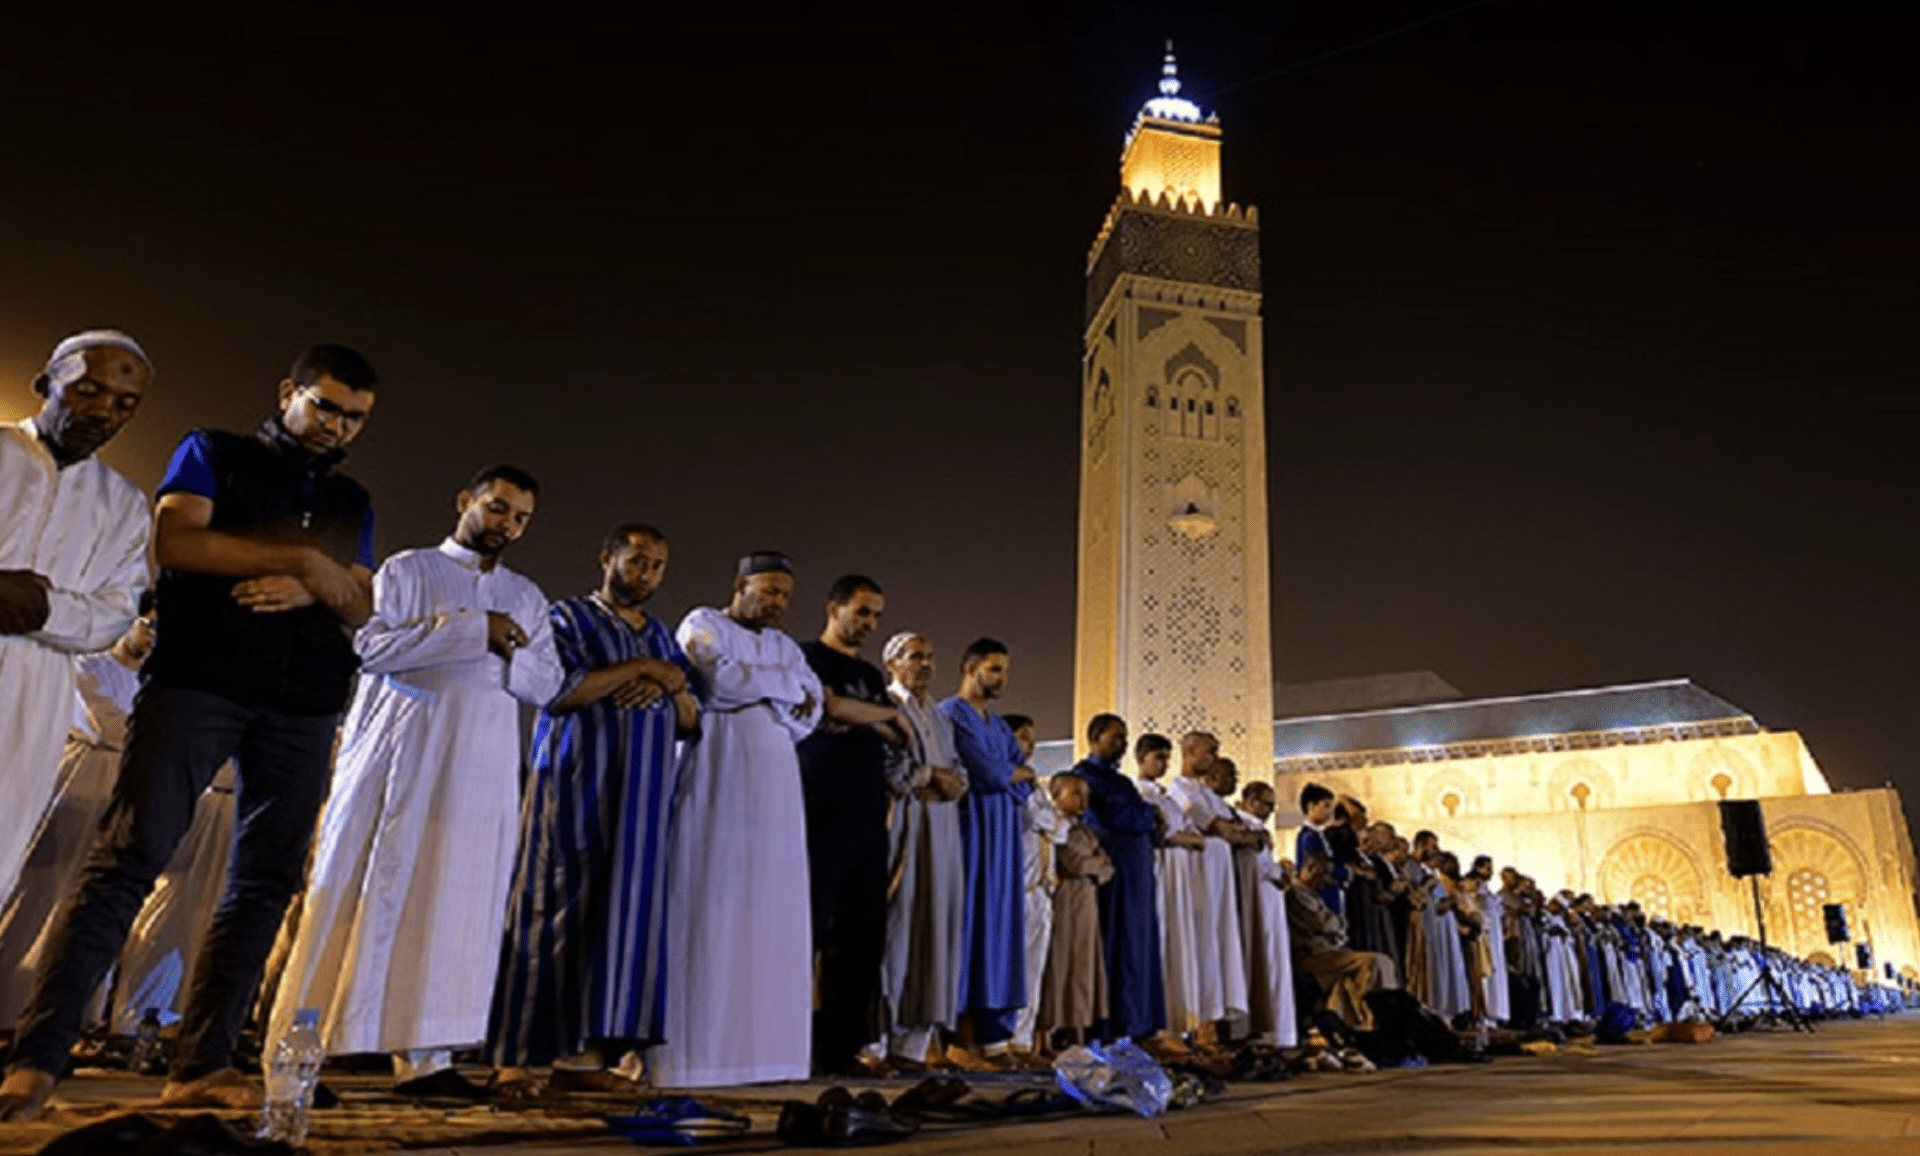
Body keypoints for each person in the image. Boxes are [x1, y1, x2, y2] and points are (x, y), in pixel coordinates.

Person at [2, 343, 378, 1120]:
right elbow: (179, 542)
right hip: (200, 681)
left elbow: (361, 600)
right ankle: (39, 1058)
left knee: (266, 882)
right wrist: (308, 561)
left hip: (304, 702)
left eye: (354, 418)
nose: (337, 427)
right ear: (289, 393)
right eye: (326, 406)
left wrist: (318, 586)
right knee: (128, 858)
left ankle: (201, 1062)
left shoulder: (353, 499)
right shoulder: (216, 451)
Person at [270, 465, 562, 1093]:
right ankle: (299, 1059)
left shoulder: (527, 595)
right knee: (355, 887)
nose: (506, 525)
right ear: (465, 500)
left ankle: (427, 1058)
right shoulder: (408, 569)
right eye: (497, 508)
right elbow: (372, 649)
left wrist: (507, 646)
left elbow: (546, 683)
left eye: (519, 517)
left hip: (480, 768)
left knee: (454, 904)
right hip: (400, 754)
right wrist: (471, 630)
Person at [491, 524, 697, 1092]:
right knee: (549, 908)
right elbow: (561, 689)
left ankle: (591, 1058)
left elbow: (692, 718)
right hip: (574, 784)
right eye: (636, 561)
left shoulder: (660, 634)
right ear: (607, 557)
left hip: (640, 803)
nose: (647, 574)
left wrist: (670, 683)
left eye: (657, 565)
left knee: (622, 921)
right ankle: (517, 1056)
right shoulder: (566, 618)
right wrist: (644, 671)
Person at [649, 552, 822, 1087]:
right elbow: (719, 685)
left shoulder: (786, 646)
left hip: (777, 782)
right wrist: (781, 688)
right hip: (716, 770)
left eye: (785, 596)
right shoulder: (704, 623)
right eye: (768, 591)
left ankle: (772, 1054)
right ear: (741, 584)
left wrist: (770, 685)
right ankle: (693, 1059)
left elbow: (812, 708)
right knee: (710, 898)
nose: (776, 604)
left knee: (773, 907)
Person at [0, 330, 153, 915]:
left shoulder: (125, 505)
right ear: (46, 383)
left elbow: (116, 612)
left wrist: (42, 608)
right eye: (88, 390)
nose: (103, 411)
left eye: (123, 404)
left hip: (35, 695)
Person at [0, 605, 155, 1028]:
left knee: (89, 902)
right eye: (148, 624)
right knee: (39, 895)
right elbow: (109, 725)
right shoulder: (88, 665)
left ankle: (72, 1019)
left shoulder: (148, 681)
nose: (150, 636)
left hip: (116, 791)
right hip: (78, 782)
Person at [796, 575, 907, 1075]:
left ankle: (841, 1050)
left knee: (863, 937)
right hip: (822, 809)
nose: (869, 624)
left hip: (868, 817)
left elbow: (900, 736)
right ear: (834, 608)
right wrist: (876, 716)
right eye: (862, 612)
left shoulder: (868, 676)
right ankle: (795, 1040)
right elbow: (826, 709)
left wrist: (862, 714)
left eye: (876, 616)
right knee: (812, 929)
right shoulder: (807, 658)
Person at [937, 638, 1034, 1066]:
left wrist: (1015, 776)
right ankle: (959, 1038)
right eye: (994, 670)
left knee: (1001, 930)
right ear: (969, 668)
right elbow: (991, 774)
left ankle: (995, 1037)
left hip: (1004, 837)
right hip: (971, 832)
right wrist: (1016, 775)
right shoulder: (950, 715)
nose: (1002, 679)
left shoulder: (996, 725)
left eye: (1006, 671)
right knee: (970, 928)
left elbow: (1023, 781)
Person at [877, 632, 968, 1069]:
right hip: (906, 826)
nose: (926, 665)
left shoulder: (938, 715)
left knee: (936, 928)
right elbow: (888, 769)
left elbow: (958, 771)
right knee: (898, 925)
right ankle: (875, 1041)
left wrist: (950, 782)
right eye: (915, 657)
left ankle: (913, 1045)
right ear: (892, 664)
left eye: (931, 657)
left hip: (942, 829)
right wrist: (928, 777)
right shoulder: (886, 707)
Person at [1069, 716, 1165, 1042]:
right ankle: (1114, 1026)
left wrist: (1148, 819)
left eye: (1125, 738)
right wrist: (1149, 815)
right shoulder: (1084, 776)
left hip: (1138, 874)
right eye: (1115, 738)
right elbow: (1115, 817)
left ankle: (1140, 1024)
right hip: (1115, 873)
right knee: (1117, 945)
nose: (1123, 744)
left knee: (1139, 945)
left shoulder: (1120, 781)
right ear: (1095, 738)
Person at [1163, 733, 1249, 1042]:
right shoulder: (1178, 791)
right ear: (1189, 752)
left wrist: (1235, 832)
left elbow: (1237, 827)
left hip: (1219, 882)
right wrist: (1233, 832)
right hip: (1199, 880)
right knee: (1201, 948)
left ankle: (1215, 1024)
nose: (1214, 757)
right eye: (1210, 751)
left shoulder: (1208, 794)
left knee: (1219, 946)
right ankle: (1199, 1029)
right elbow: (1220, 827)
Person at [1135, 732, 1207, 1042]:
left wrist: (1181, 838)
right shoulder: (1139, 793)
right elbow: (1159, 835)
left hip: (1179, 876)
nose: (1163, 764)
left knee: (1180, 945)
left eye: (1166, 757)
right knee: (1162, 943)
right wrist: (1181, 839)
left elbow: (1190, 834)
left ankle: (1182, 1026)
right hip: (1160, 872)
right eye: (1157, 758)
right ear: (1141, 759)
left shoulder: (1166, 798)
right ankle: (1159, 1028)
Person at [1038, 772, 1110, 1049]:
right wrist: (1094, 863)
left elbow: (1107, 867)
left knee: (1084, 967)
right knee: (1058, 966)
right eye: (1075, 793)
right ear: (1056, 796)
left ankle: (1078, 1034)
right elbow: (1075, 865)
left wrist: (1093, 864)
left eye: (1085, 794)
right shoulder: (1056, 829)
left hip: (1088, 901)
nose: (1083, 801)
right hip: (1065, 901)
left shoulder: (1085, 832)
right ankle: (1043, 1037)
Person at [1287, 852, 1398, 1030]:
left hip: (1330, 952)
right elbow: (1320, 922)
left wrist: (1334, 924)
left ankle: (1378, 1021)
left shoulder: (1311, 895)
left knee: (1380, 964)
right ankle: (1366, 1020)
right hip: (1312, 956)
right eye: (1325, 874)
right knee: (1371, 962)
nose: (1328, 881)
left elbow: (1332, 924)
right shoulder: (1296, 894)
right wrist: (1336, 923)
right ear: (1311, 870)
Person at [1229, 779, 1297, 1047]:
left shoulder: (1257, 828)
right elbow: (1253, 866)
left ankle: (1280, 1034)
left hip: (1271, 902)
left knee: (1276, 964)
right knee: (1264, 964)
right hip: (1257, 901)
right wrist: (1279, 872)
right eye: (1267, 804)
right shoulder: (1242, 825)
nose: (1269, 810)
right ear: (1251, 801)